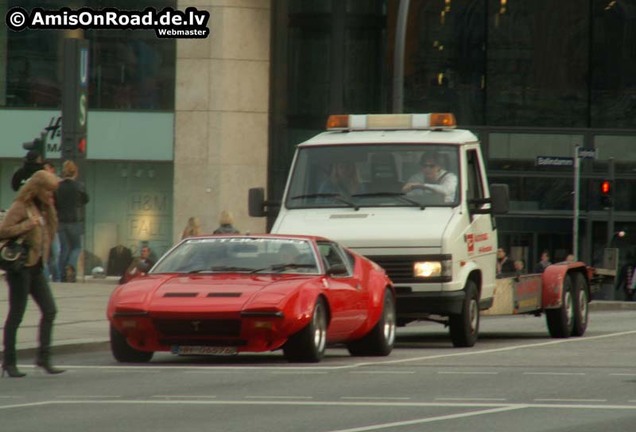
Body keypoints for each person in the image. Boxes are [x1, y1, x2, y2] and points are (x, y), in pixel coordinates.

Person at [0, 170, 65, 377]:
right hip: (20, 268)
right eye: (47, 191)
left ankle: (43, 357)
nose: (50, 195)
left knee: (50, 310)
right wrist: (29, 224)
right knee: (16, 316)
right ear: (36, 189)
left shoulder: (45, 208)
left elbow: (49, 235)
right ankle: (9, 362)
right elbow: (3, 230)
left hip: (36, 267)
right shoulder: (21, 206)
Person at [55, 160, 89, 282]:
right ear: (75, 172)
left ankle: (61, 274)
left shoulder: (58, 186)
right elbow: (86, 199)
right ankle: (70, 266)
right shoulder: (79, 186)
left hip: (61, 221)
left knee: (64, 248)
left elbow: (55, 203)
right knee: (76, 247)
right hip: (74, 220)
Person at [42, 161, 61, 282]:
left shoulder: (56, 186)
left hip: (52, 224)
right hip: (42, 225)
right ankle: (46, 278)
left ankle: (56, 278)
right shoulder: (39, 187)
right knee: (45, 254)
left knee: (55, 253)